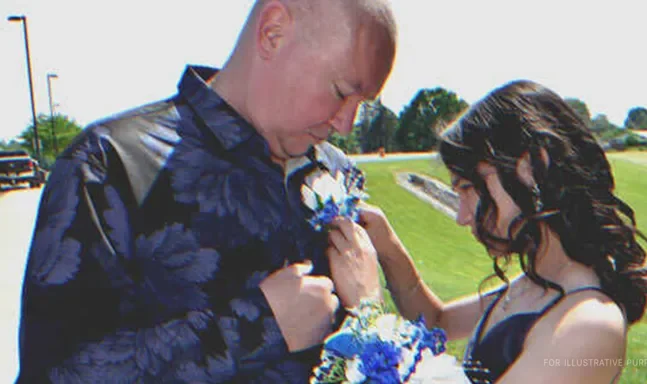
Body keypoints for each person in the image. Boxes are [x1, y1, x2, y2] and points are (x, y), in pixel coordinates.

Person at [16, 0, 396, 382]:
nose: (346, 124)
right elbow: (53, 372)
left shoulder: (336, 172)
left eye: (361, 105)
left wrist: (368, 313)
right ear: (273, 32)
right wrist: (256, 327)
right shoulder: (110, 165)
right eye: (341, 92)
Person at [329, 80, 647, 383]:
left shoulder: (589, 323)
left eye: (467, 188)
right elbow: (437, 320)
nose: (462, 217)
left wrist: (368, 316)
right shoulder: (535, 284)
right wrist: (387, 246)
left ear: (532, 169)